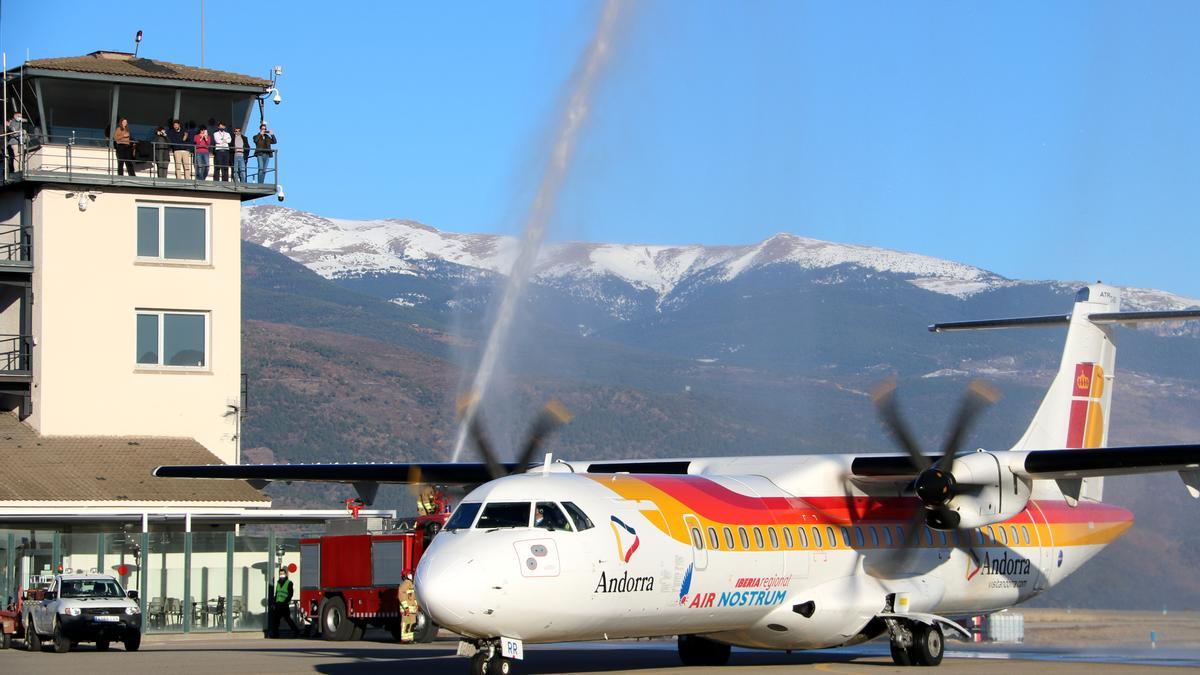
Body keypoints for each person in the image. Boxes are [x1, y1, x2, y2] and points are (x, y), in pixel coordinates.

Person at [269, 567, 299, 638]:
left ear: (285, 574)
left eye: (282, 573)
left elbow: (290, 594)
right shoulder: (278, 583)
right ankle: (275, 634)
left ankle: (296, 631)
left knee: (287, 619)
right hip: (278, 604)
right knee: (276, 620)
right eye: (280, 574)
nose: (281, 575)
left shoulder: (289, 583)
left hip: (284, 604)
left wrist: (285, 602)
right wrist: (274, 603)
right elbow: (277, 594)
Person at [397, 576, 417, 642]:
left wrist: (416, 606)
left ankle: (410, 638)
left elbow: (414, 597)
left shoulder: (411, 584)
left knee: (411, 624)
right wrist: (406, 607)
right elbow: (401, 597)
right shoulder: (404, 585)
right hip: (407, 610)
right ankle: (405, 639)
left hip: (412, 609)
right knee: (405, 623)